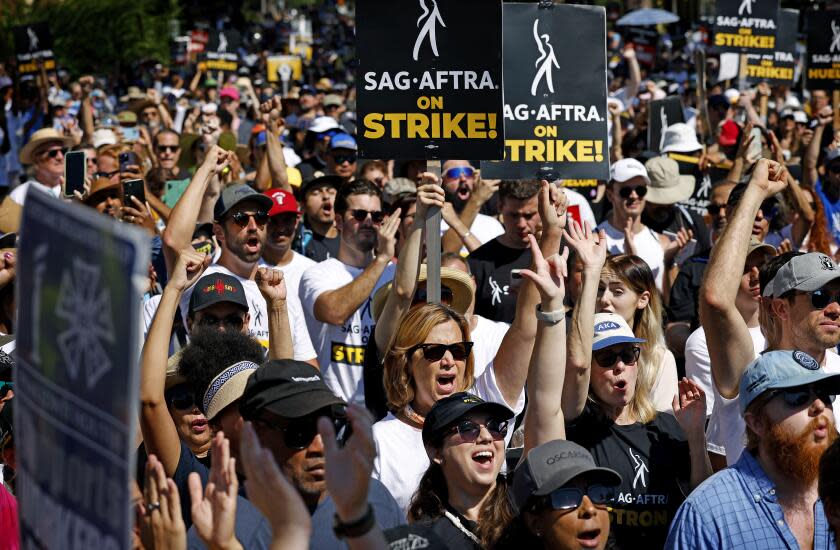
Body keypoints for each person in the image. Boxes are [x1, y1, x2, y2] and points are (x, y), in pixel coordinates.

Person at [372, 179, 566, 514]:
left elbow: (525, 328)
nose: (449, 360)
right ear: (407, 362)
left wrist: (551, 232)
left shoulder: (485, 411)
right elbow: (402, 293)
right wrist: (419, 221)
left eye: (459, 351)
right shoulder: (380, 441)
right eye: (434, 352)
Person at [564, 221, 710, 548]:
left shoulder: (667, 429)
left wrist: (696, 436)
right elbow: (575, 364)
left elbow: (699, 501)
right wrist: (589, 274)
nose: (620, 365)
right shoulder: (576, 428)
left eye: (628, 355)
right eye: (605, 358)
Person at [701, 158, 840, 466]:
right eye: (819, 296)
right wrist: (755, 193)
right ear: (781, 307)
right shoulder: (748, 371)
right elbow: (716, 300)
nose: (834, 308)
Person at [665, 350, 840, 549]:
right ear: (757, 422)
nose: (819, 405)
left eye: (824, 393)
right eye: (798, 395)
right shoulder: (707, 514)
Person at [163, 150, 315, 362]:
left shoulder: (280, 290)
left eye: (261, 218)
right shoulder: (200, 279)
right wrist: (206, 170)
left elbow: (308, 365)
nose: (253, 227)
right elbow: (173, 240)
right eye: (240, 219)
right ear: (218, 232)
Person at [408, 392, 516, 549]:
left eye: (493, 426)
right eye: (467, 428)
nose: (486, 437)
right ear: (437, 452)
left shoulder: (524, 501)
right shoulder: (425, 540)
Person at [684, 239, 774, 423]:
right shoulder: (702, 341)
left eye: (761, 265)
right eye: (743, 268)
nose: (756, 275)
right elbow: (712, 418)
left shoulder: (783, 327)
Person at [596, 250, 679, 412]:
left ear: (642, 299)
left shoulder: (659, 359)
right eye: (600, 289)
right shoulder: (577, 348)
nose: (604, 299)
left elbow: (664, 425)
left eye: (617, 292)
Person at [468, 179, 540, 323]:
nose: (521, 224)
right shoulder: (478, 261)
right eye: (514, 215)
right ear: (500, 206)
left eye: (529, 215)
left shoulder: (560, 252)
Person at [596, 158, 668, 291]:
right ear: (610, 194)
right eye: (625, 191)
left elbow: (667, 301)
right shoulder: (595, 240)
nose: (634, 196)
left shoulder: (662, 242)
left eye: (640, 190)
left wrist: (671, 262)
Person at [259, 188, 315, 299]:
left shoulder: (312, 270)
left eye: (287, 220)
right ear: (261, 223)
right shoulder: (248, 270)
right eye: (273, 221)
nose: (281, 228)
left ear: (296, 221)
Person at [439, 160, 504, 252]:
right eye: (454, 173)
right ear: (442, 182)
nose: (463, 178)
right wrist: (477, 200)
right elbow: (447, 251)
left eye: (468, 172)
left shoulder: (492, 224)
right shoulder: (435, 221)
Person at [11, 127, 72, 205]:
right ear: (37, 159)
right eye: (53, 153)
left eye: (63, 151)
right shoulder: (19, 195)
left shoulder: (76, 190)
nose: (60, 157)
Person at [298, 174, 341, 262]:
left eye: (331, 192)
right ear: (303, 205)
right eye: (316, 193)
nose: (326, 196)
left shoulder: (350, 239)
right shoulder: (297, 240)